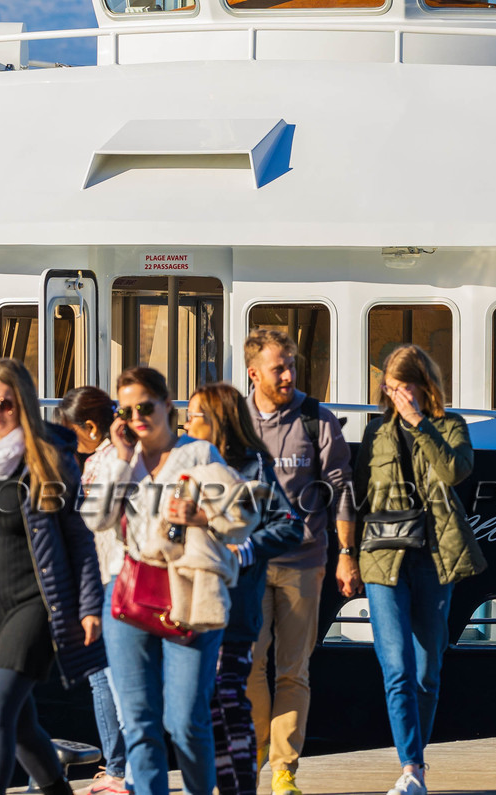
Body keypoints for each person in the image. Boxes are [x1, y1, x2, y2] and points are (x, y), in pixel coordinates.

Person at [81, 366, 247, 795]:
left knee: (184, 720)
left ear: (166, 406)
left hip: (188, 592)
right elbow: (95, 519)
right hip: (128, 593)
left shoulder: (200, 454)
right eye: (126, 409)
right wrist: (120, 459)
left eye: (145, 407)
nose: (137, 417)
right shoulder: (113, 456)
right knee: (137, 719)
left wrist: (201, 516)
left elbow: (240, 520)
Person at [0, 359, 104, 795]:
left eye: (6, 404)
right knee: (20, 725)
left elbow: (79, 540)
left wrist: (89, 608)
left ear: (25, 407)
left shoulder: (48, 460)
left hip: (37, 601)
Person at [357, 344, 486, 795]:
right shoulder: (374, 433)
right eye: (390, 389)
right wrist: (344, 554)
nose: (397, 396)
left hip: (433, 557)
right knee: (396, 666)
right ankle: (411, 765)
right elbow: (356, 496)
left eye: (404, 387)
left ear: (423, 385)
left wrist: (418, 423)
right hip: (381, 558)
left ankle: (418, 764)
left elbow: (456, 472)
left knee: (428, 669)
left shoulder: (451, 426)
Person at [242, 327, 359, 795]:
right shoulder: (237, 419)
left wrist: (346, 554)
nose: (289, 375)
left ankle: (284, 768)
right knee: (247, 667)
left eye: (291, 365)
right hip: (247, 564)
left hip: (304, 560)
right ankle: (248, 758)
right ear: (254, 373)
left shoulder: (316, 418)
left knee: (293, 670)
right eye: (279, 368)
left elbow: (342, 488)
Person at [184, 383, 304, 795]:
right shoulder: (182, 466)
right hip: (186, 607)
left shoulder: (253, 469)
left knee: (228, 700)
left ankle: (238, 786)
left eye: (194, 415)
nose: (185, 423)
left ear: (217, 421)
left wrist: (246, 549)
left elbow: (290, 525)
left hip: (234, 609)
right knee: (195, 707)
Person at [62, 385, 128, 795]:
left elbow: (96, 519)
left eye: (73, 432)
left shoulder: (106, 462)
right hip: (112, 573)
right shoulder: (116, 456)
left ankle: (117, 767)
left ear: (90, 426)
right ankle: (119, 764)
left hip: (111, 574)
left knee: (104, 676)